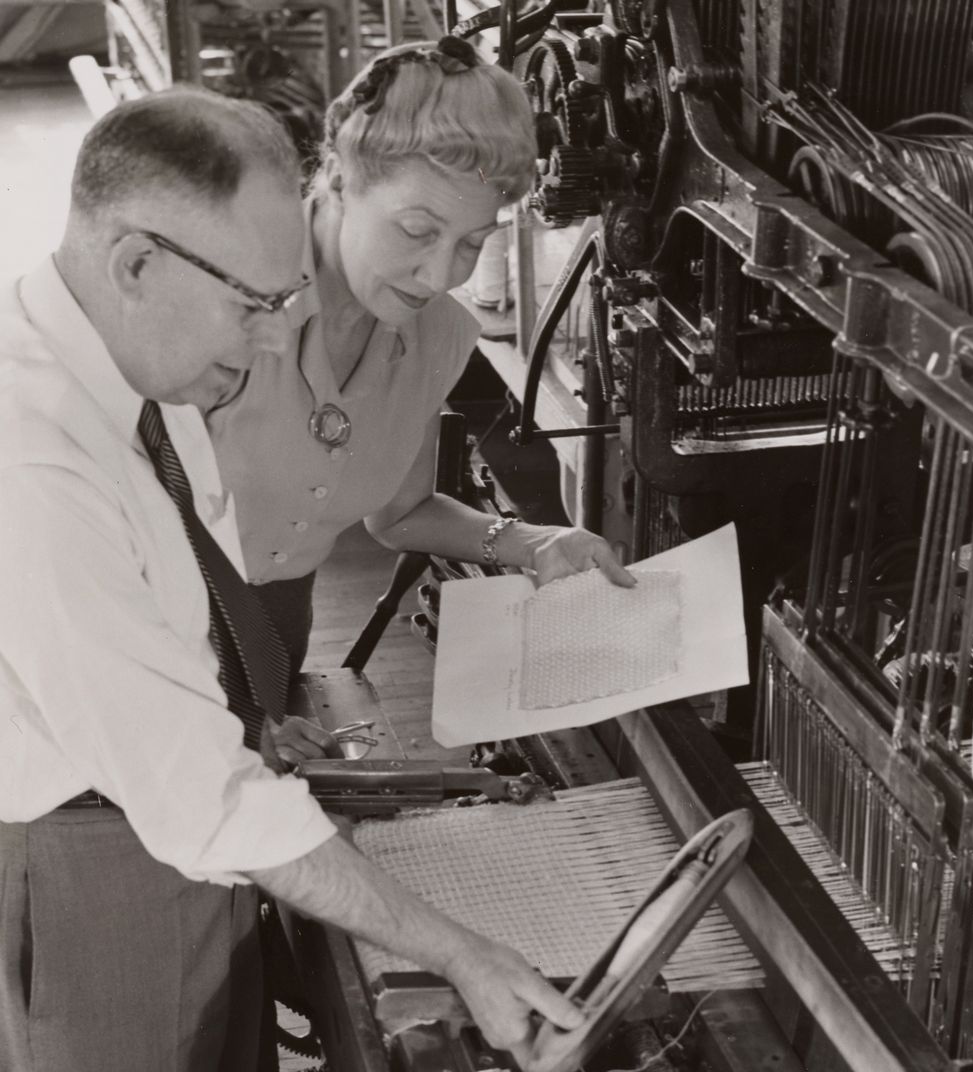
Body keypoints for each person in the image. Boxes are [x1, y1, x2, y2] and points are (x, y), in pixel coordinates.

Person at [0, 87, 583, 1072]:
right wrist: (459, 951)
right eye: (253, 307)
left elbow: (192, 602)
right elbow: (196, 796)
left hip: (162, 829)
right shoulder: (34, 465)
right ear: (136, 262)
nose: (275, 340)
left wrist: (255, 718)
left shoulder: (147, 366)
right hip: (91, 860)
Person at [206, 36, 635, 679]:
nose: (439, 276)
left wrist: (532, 541)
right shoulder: (215, 294)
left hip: (273, 629)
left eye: (472, 243)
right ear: (340, 179)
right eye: (416, 230)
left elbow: (400, 514)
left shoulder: (434, 334)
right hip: (139, 627)